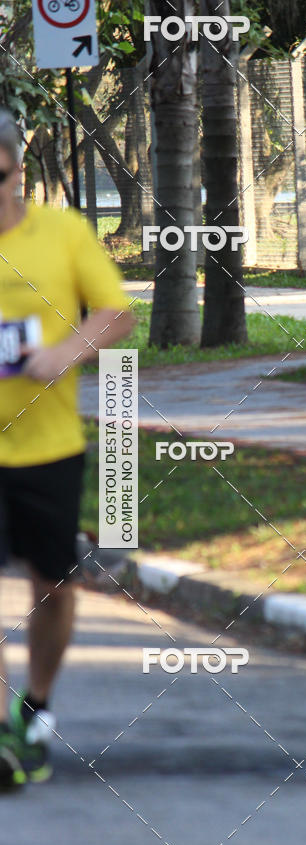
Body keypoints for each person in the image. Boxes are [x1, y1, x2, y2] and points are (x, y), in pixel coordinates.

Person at [0, 109, 134, 789]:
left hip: (49, 445)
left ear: (16, 169)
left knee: (52, 585)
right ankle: (1, 731)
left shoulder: (64, 233)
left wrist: (60, 353)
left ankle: (38, 704)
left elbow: (115, 313)